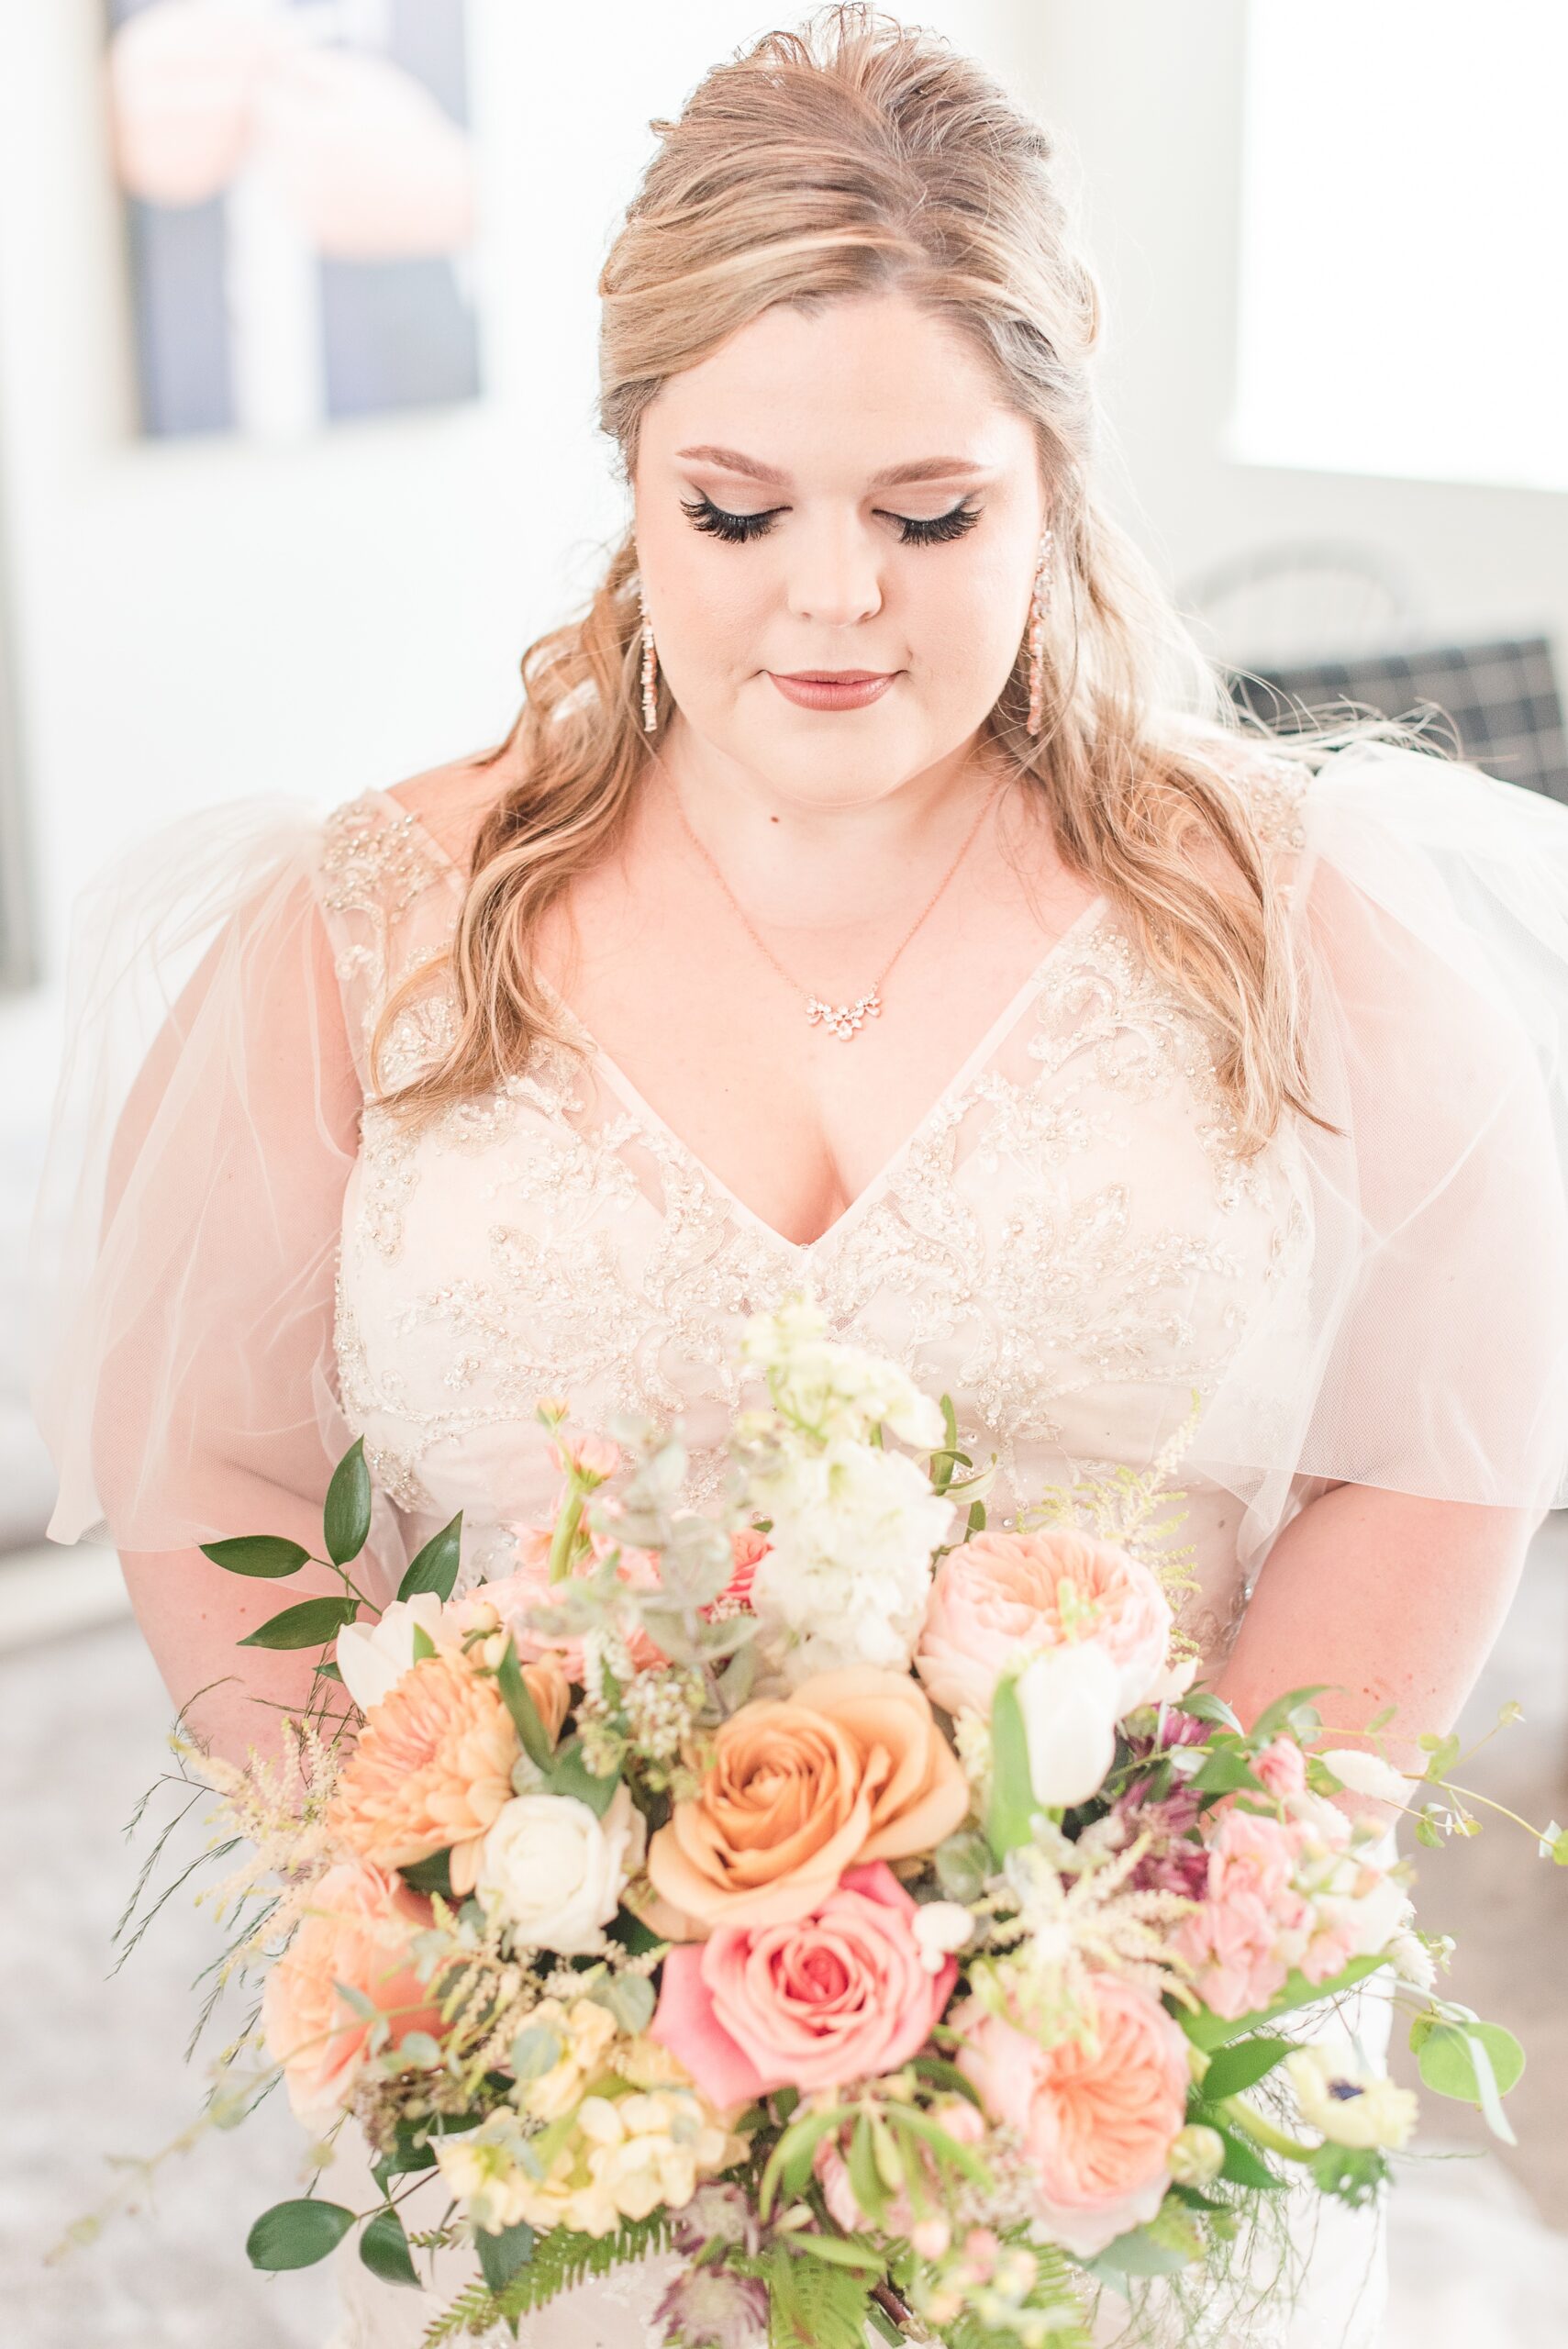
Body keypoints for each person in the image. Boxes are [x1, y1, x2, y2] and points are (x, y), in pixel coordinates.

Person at [26, 9, 1568, 2344]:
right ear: (631, 467)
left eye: (930, 516)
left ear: (1052, 475)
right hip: (561, 2126)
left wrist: (1180, 1910)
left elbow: (1438, 1450)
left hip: (1112, 2111)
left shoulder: (1299, 915)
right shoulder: (358, 936)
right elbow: (210, 1457)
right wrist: (441, 1913)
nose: (832, 602)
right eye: (735, 511)